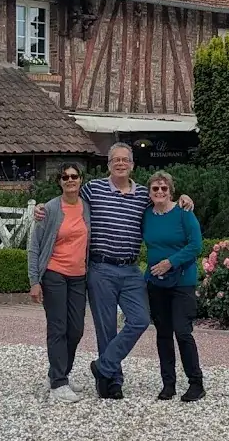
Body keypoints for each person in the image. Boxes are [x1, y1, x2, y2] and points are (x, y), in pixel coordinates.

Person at [36, 142, 194, 400]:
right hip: (101, 268)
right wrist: (43, 207)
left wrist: (185, 199)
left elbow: (164, 203)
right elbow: (68, 197)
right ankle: (112, 383)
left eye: (125, 160)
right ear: (108, 165)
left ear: (132, 165)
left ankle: (103, 366)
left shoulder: (144, 194)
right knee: (106, 328)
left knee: (141, 319)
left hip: (130, 270)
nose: (121, 164)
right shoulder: (93, 189)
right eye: (115, 160)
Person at [27, 164, 91, 404]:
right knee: (58, 328)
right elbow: (35, 247)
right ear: (59, 182)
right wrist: (34, 280)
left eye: (74, 176)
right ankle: (58, 383)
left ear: (81, 179)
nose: (70, 180)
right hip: (54, 274)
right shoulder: (50, 209)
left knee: (76, 329)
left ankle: (59, 372)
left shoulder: (88, 207)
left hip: (79, 276)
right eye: (65, 177)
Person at [143, 170, 205, 402]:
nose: (159, 192)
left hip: (182, 281)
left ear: (171, 190)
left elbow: (196, 245)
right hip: (156, 283)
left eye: (164, 188)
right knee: (163, 334)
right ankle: (168, 384)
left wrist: (170, 262)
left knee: (182, 331)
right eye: (155, 188)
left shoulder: (184, 213)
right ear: (150, 192)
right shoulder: (146, 215)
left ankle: (196, 382)